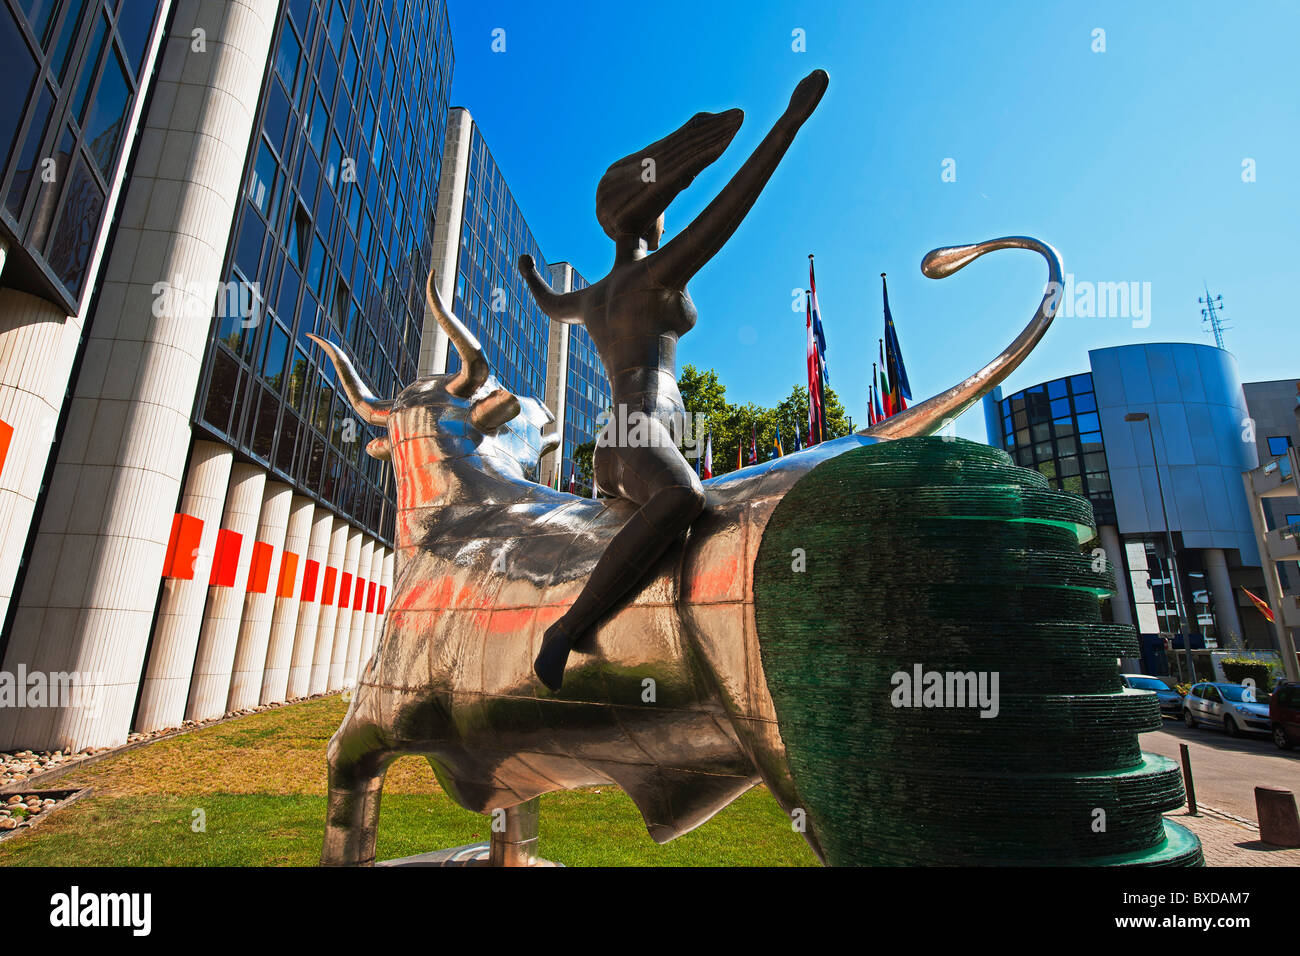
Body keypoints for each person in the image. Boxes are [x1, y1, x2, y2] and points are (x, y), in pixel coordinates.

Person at [520, 70, 829, 691]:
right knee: (684, 499)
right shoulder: (654, 273)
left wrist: (531, 280)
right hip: (639, 429)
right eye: (664, 208)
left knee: (687, 510)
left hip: (629, 436)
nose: (669, 221)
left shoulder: (591, 296)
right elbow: (731, 207)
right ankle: (567, 629)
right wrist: (788, 124)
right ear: (651, 217)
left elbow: (551, 303)